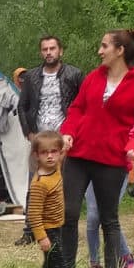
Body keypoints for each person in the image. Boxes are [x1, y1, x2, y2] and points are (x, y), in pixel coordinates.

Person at [61, 28, 134, 268]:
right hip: (79, 156)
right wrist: (68, 132)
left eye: (104, 46)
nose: (99, 51)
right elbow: (77, 108)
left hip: (112, 161)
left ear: (120, 50)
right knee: (69, 214)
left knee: (108, 220)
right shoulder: (93, 77)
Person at [13, 36, 86, 245]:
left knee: (63, 186)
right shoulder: (33, 76)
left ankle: (62, 229)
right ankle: (30, 230)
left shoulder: (74, 74)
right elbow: (22, 106)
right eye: (45, 49)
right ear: (40, 53)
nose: (49, 52)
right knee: (35, 184)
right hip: (39, 139)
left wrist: (74, 133)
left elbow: (84, 105)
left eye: (52, 48)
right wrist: (29, 133)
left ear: (60, 51)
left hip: (64, 140)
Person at [26, 132, 71, 268]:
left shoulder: (56, 168)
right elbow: (33, 213)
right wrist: (42, 237)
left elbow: (62, 152)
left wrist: (65, 144)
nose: (50, 156)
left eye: (54, 152)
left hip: (56, 226)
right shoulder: (40, 183)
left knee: (49, 264)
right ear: (36, 155)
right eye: (44, 153)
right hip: (48, 231)